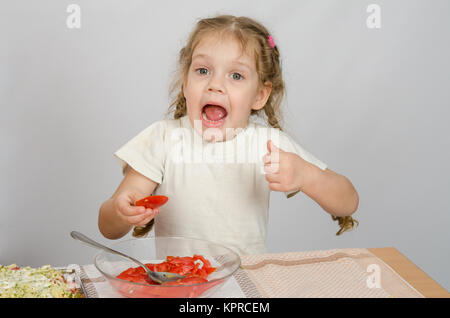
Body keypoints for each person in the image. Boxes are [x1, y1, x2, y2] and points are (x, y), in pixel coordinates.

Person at [98, 15, 359, 255]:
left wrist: (306, 175)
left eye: (236, 75)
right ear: (185, 83)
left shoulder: (265, 144)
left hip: (245, 287)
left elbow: (347, 202)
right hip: (179, 286)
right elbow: (108, 227)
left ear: (259, 95)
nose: (215, 85)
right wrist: (123, 211)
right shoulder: (162, 139)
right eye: (202, 71)